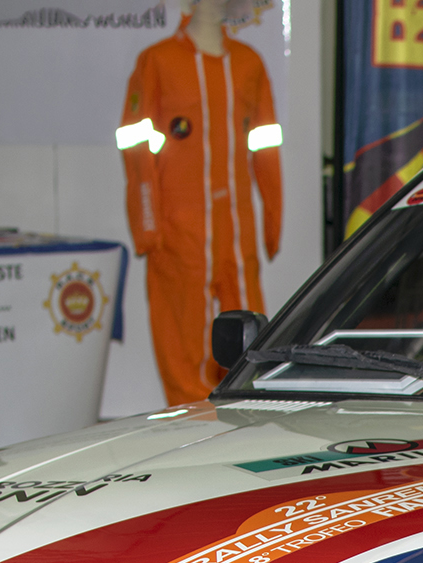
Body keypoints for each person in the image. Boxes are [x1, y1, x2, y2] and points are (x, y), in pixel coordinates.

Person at [121, 0, 283, 406]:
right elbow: (136, 149)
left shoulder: (249, 64)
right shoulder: (157, 61)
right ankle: (188, 422)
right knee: (181, 338)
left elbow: (266, 147)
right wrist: (147, 224)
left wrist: (272, 219)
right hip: (178, 227)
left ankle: (248, 415)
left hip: (236, 228)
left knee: (248, 332)